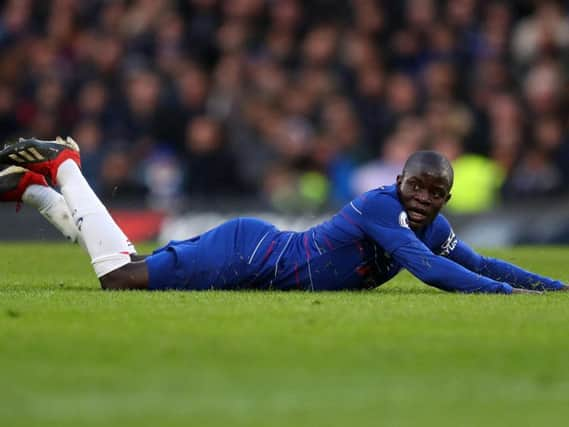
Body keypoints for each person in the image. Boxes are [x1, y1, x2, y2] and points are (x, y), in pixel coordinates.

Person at [0, 137, 566, 294]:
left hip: (256, 252)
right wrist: (505, 299)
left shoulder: (433, 225)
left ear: (444, 199)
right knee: (118, 277)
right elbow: (434, 271)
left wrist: (552, 287)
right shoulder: (378, 206)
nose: (420, 197)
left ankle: (36, 193)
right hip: (248, 256)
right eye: (414, 186)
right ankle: (68, 167)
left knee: (130, 263)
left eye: (432, 192)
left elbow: (478, 261)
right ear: (398, 183)